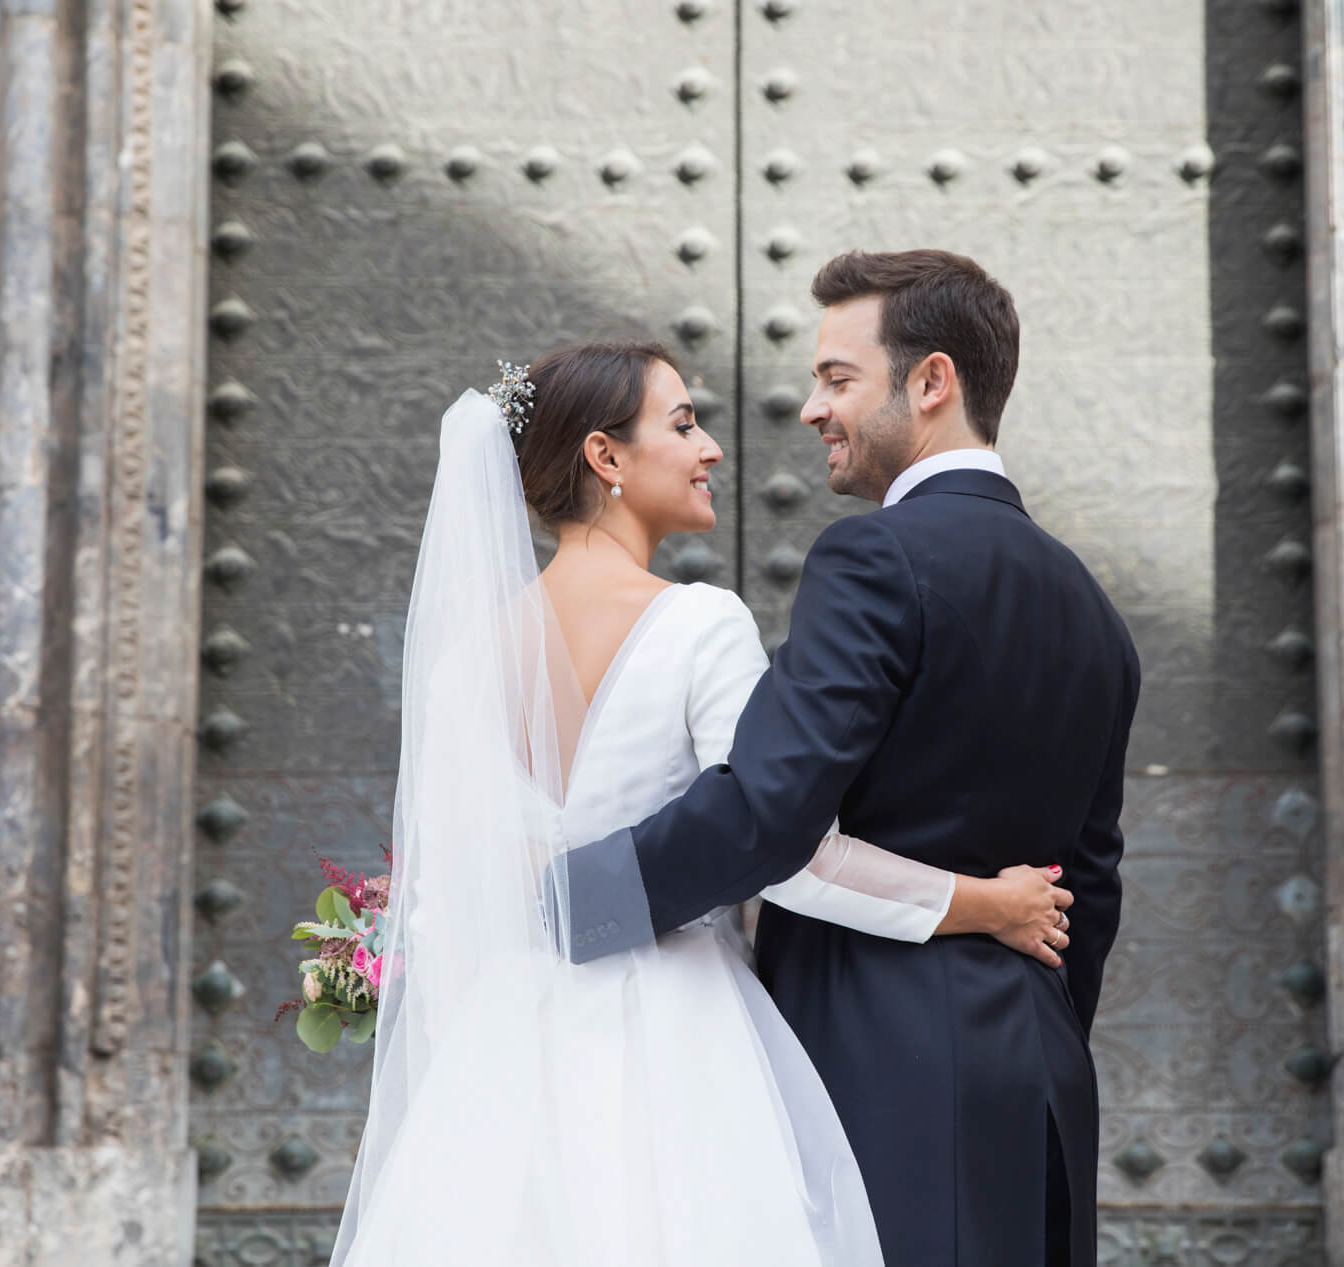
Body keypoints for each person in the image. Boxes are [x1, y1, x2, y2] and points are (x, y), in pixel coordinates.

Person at [328, 340, 1074, 1267]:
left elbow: (443, 904)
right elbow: (785, 843)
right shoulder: (697, 622)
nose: (713, 447)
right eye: (683, 424)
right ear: (606, 458)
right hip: (681, 1042)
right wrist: (982, 903)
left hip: (505, 1057)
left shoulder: (464, 657)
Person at [557, 251, 1142, 1265]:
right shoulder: (1092, 608)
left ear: (931, 383)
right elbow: (1087, 882)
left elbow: (769, 813)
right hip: (1041, 1073)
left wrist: (570, 900)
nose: (810, 411)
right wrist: (1031, 1023)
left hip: (884, 1065)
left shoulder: (874, 557)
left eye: (837, 379)